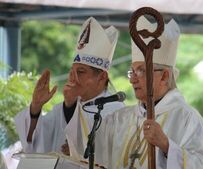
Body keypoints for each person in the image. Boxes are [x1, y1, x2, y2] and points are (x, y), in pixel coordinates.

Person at [92, 16, 203, 169]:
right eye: (132, 72)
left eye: (141, 71)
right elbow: (95, 155)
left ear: (164, 76)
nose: (132, 80)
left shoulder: (186, 118)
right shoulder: (121, 119)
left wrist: (167, 146)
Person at [14, 17, 124, 160]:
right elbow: (33, 145)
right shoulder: (61, 109)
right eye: (72, 71)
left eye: (81, 72)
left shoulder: (116, 112)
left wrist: (76, 150)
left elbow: (115, 156)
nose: (72, 77)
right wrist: (35, 107)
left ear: (102, 77)